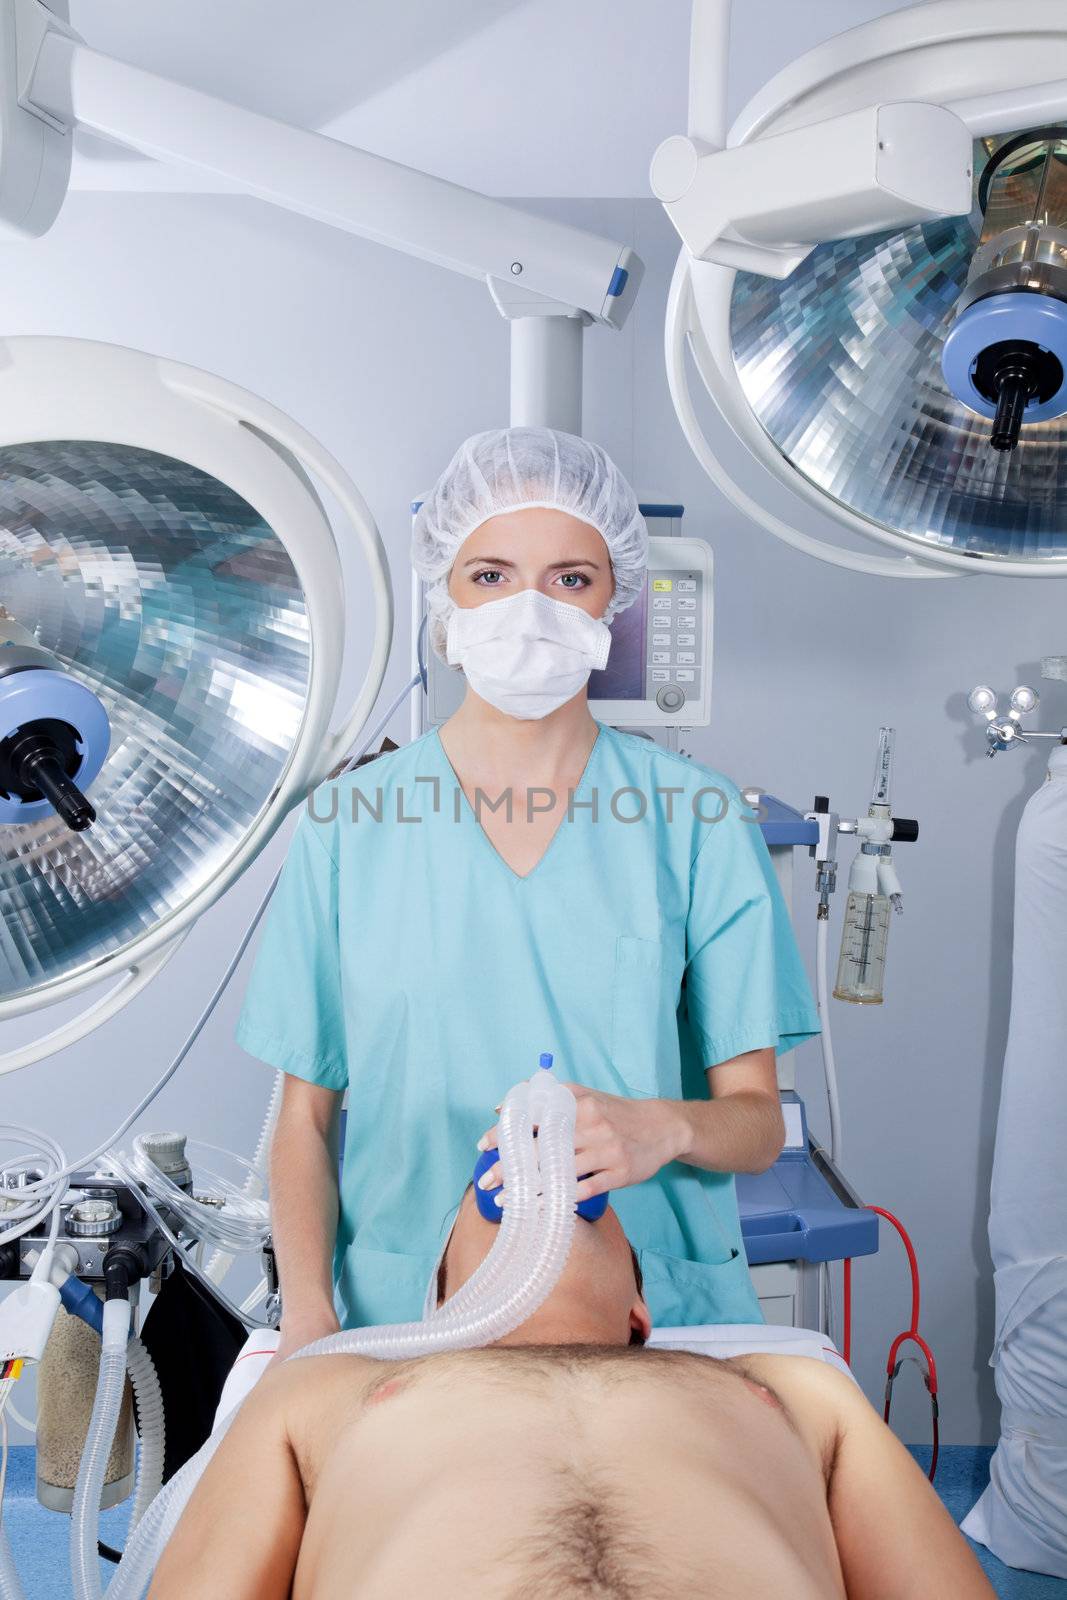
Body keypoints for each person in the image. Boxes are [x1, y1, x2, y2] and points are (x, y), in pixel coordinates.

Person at [233, 427, 821, 1356]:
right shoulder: (352, 823)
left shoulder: (695, 818)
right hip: (408, 1303)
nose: (530, 612)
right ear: (444, 597)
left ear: (614, 600)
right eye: (492, 575)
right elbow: (305, 1120)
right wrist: (309, 1319)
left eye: (570, 580)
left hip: (648, 1307)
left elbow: (753, 1125)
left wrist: (656, 1128)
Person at [150, 1182, 996, 1599]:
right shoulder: (324, 1388)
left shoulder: (794, 1387)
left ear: (639, 1308)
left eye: (594, 1208)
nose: (532, 1179)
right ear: (441, 1305)